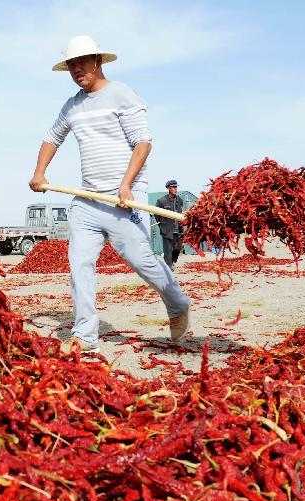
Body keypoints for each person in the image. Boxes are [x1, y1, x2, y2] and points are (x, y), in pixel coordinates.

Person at [28, 35, 191, 354]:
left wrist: (127, 183)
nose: (77, 70)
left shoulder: (121, 95)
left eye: (82, 63)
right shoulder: (73, 105)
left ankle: (177, 304)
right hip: (87, 199)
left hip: (123, 198)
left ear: (97, 62)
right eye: (72, 65)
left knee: (141, 260)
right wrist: (39, 172)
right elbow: (52, 138)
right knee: (80, 264)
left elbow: (143, 142)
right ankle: (85, 334)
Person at [155, 180, 184, 270]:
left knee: (178, 248)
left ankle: (172, 261)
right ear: (168, 188)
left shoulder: (179, 200)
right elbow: (156, 213)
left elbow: (181, 212)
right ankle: (168, 267)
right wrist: (162, 224)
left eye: (176, 187)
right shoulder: (161, 201)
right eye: (173, 187)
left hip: (178, 229)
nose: (176, 189)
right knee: (167, 251)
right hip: (167, 229)